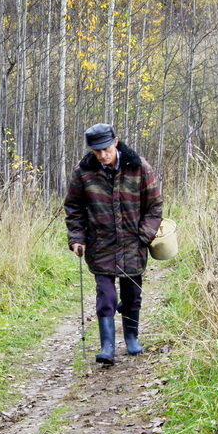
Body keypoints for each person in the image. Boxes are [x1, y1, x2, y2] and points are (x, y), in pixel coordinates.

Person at [64, 123, 163, 365]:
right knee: (105, 295)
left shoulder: (139, 167)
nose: (102, 155)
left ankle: (131, 337)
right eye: (97, 151)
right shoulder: (84, 171)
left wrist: (143, 236)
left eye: (106, 149)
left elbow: (154, 206)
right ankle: (107, 345)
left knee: (131, 294)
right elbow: (73, 207)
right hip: (100, 244)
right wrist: (77, 238)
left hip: (133, 243)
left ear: (115, 142)